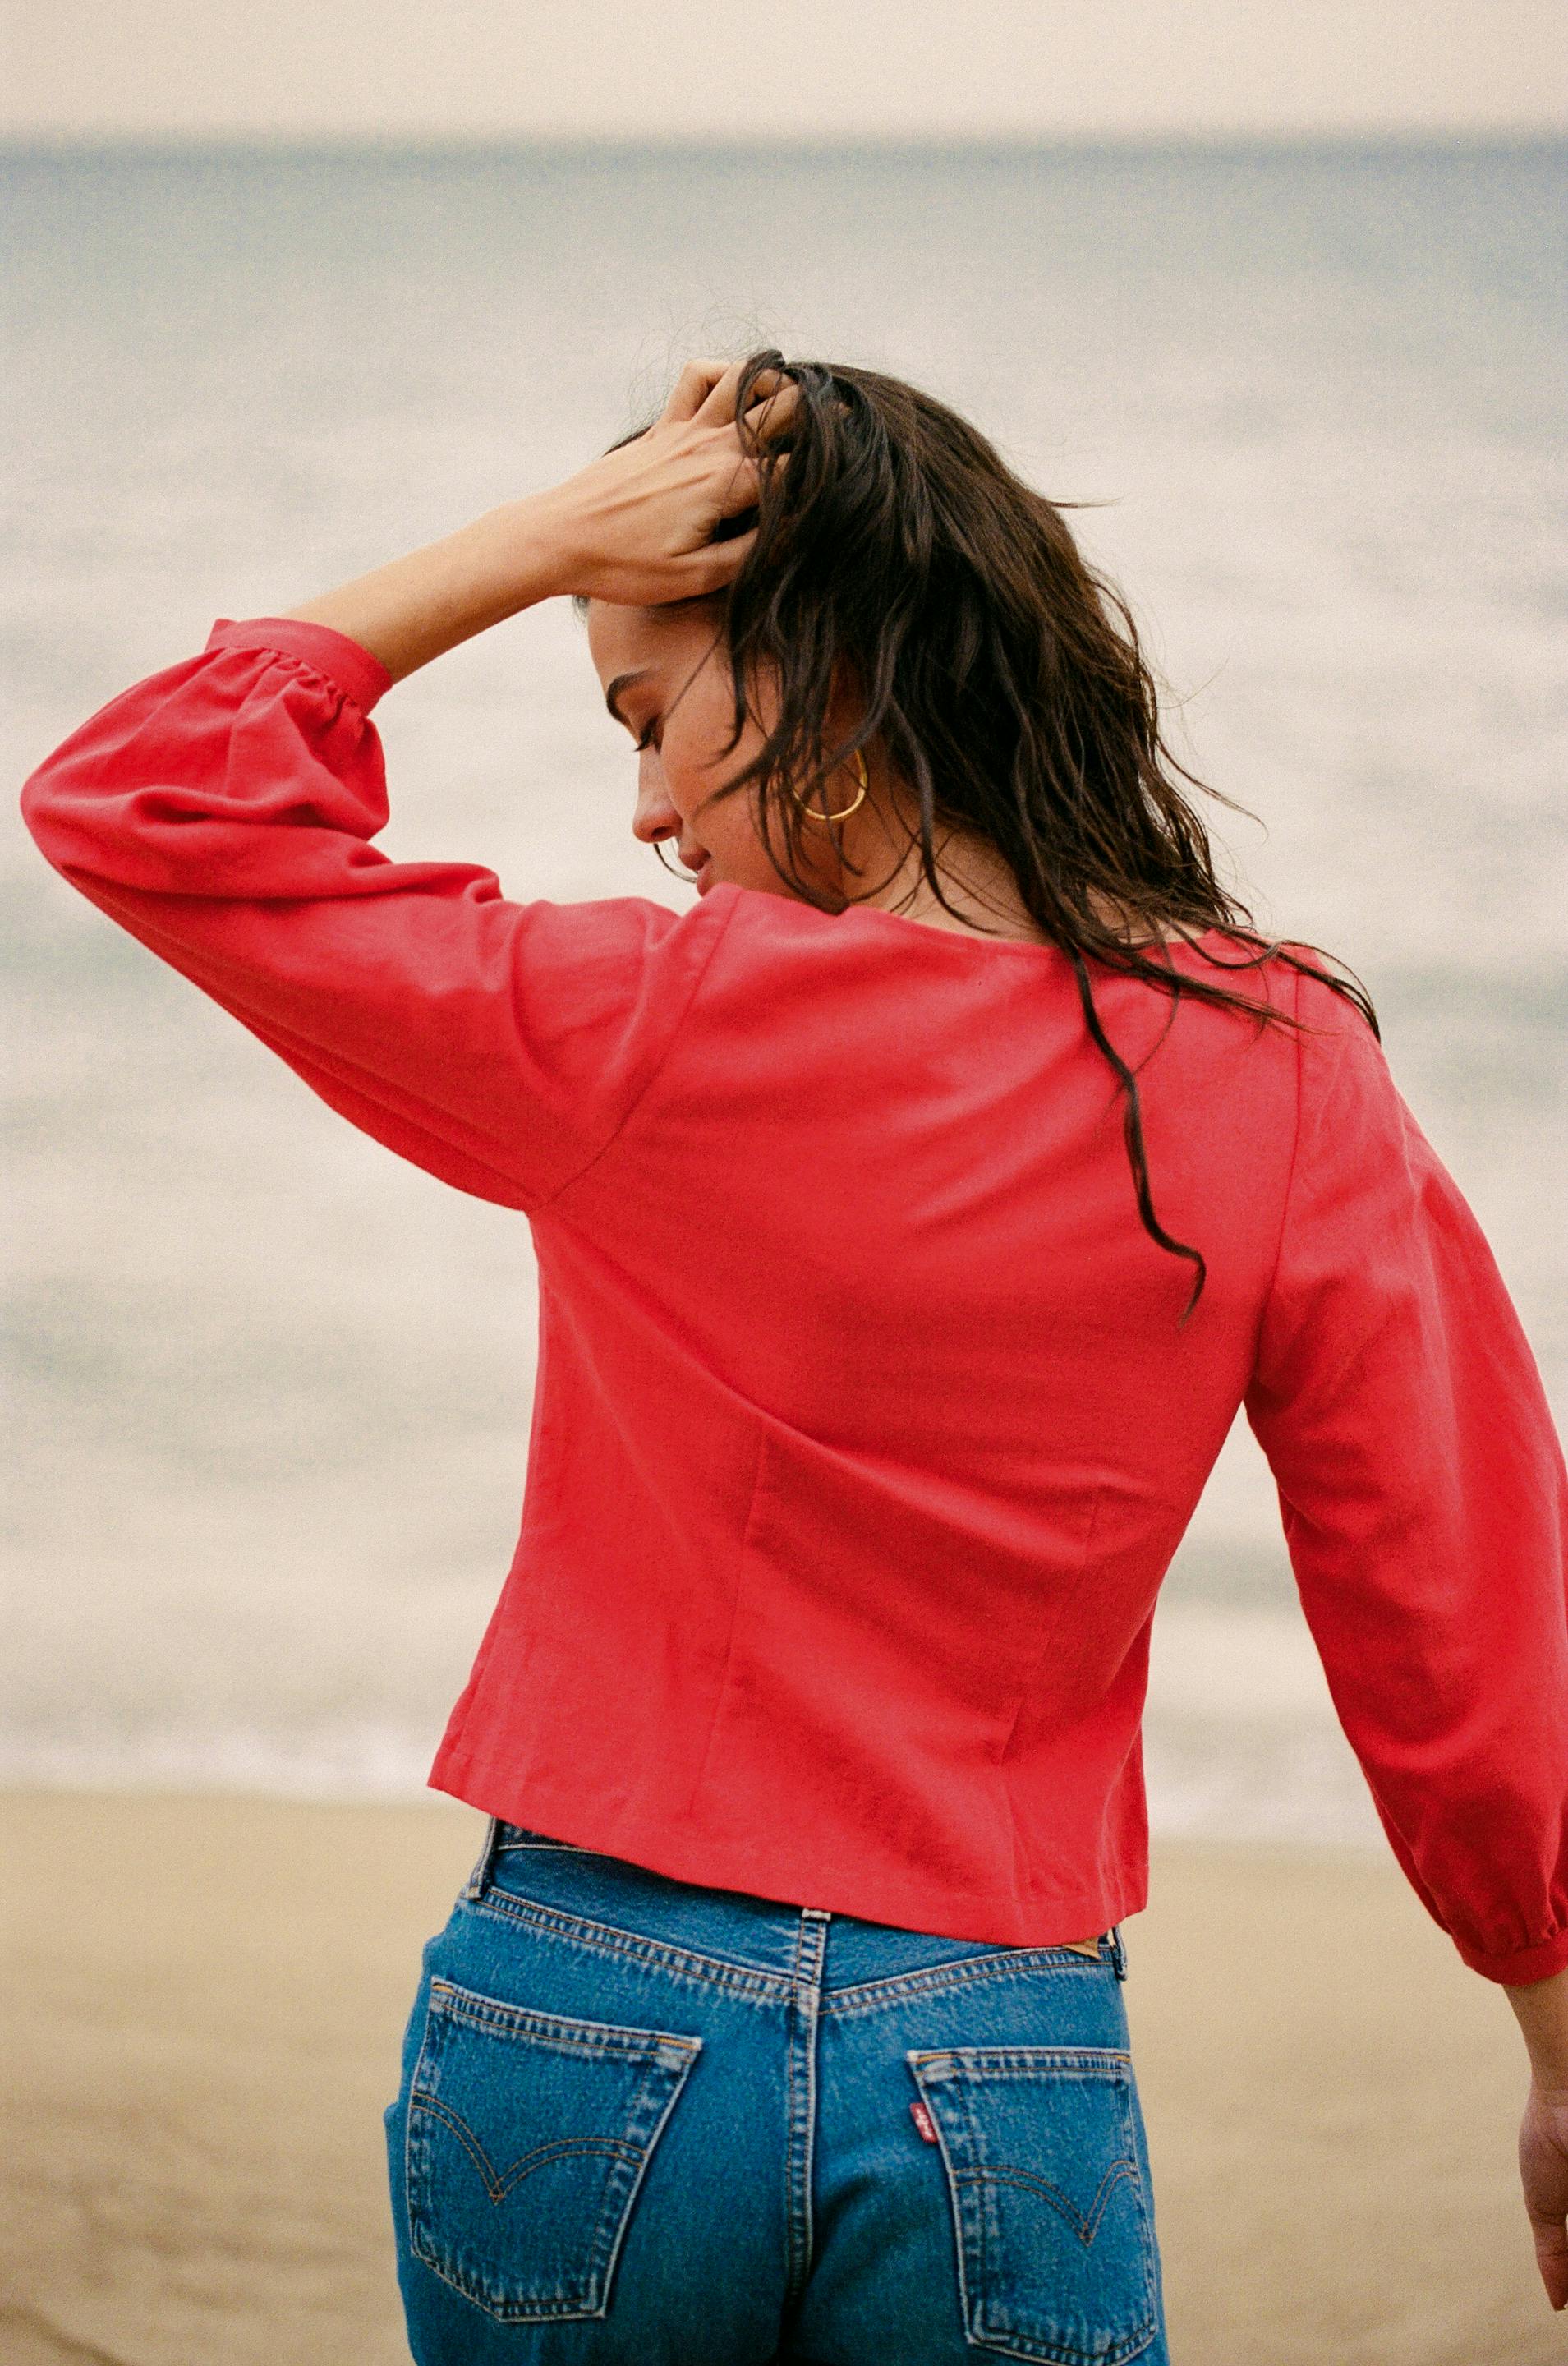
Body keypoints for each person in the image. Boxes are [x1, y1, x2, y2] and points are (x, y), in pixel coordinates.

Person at [19, 350, 1568, 2364]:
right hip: (996, 2046)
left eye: (653, 716)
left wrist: (526, 543)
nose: (647, 808)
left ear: (823, 672)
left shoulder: (636, 1027)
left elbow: (140, 798)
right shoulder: (1279, 1069)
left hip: (585, 2015)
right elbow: (1458, 1590)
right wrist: (1547, 2019)